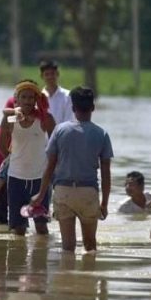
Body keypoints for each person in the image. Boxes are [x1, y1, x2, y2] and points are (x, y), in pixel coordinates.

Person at [32, 86, 113, 251]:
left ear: (73, 108)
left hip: (63, 190)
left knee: (68, 247)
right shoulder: (102, 134)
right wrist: (104, 203)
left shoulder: (60, 130)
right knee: (90, 246)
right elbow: (106, 174)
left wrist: (40, 194)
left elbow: (50, 166)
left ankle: (68, 268)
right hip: (88, 192)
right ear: (93, 108)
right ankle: (89, 267)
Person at [0, 79, 55, 235]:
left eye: (31, 97)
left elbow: (56, 147)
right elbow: (1, 146)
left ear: (36, 99)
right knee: (19, 229)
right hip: (16, 178)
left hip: (40, 179)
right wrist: (13, 160)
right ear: (17, 99)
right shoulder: (11, 118)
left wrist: (52, 170)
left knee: (41, 227)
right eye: (23, 97)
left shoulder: (45, 119)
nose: (27, 101)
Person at [39, 59, 74, 125]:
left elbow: (69, 120)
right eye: (46, 74)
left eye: (52, 73)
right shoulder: (38, 97)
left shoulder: (67, 96)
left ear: (57, 74)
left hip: (63, 131)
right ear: (42, 76)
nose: (50, 77)